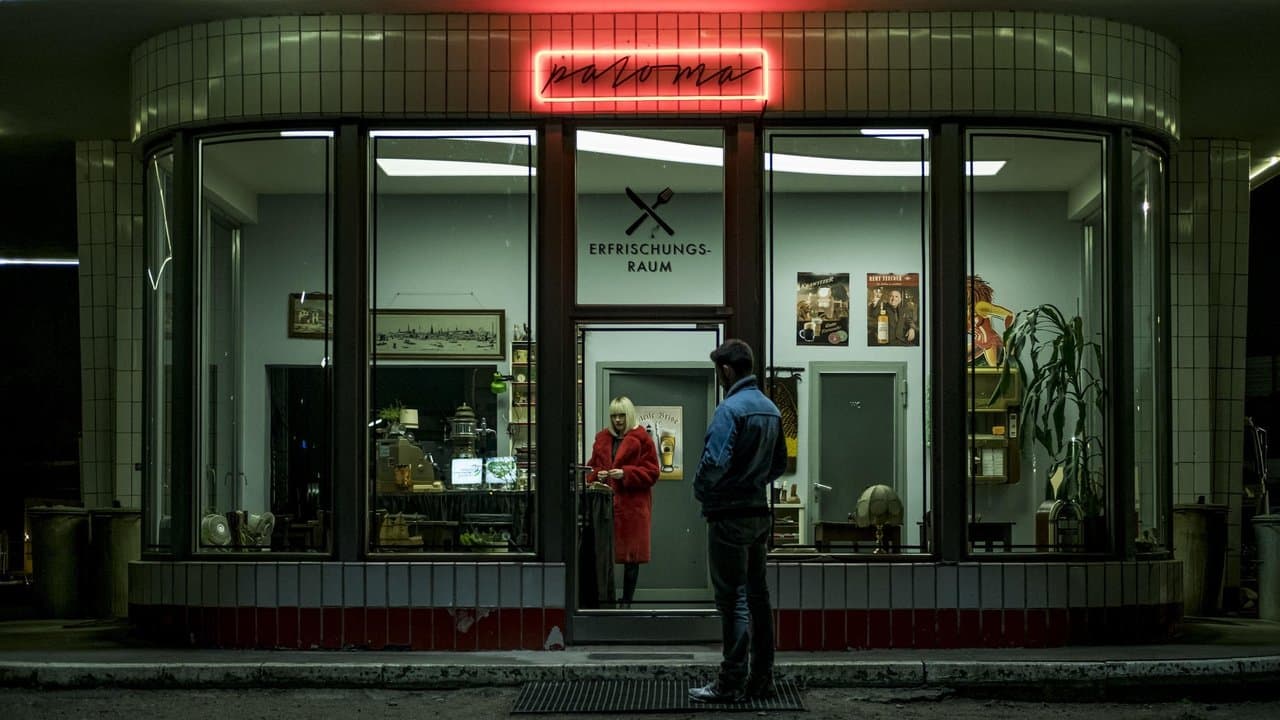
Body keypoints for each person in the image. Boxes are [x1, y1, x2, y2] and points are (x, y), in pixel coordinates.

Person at [689, 339, 788, 703]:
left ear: (727, 370)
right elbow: (780, 465)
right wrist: (754, 481)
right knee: (759, 598)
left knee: (733, 602)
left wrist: (702, 491)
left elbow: (714, 463)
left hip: (728, 516)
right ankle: (761, 679)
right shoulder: (771, 409)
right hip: (758, 514)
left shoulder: (729, 410)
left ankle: (730, 682)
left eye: (719, 372)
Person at [585, 395, 659, 608]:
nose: (617, 420)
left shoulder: (643, 439)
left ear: (629, 415)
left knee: (631, 558)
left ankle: (627, 602)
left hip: (632, 508)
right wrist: (597, 474)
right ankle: (604, 599)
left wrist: (626, 473)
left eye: (621, 415)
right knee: (602, 554)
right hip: (605, 507)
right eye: (614, 416)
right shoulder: (602, 438)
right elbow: (591, 468)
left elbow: (653, 472)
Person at [966, 274, 1014, 366]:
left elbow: (1009, 315)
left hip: (992, 343)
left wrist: (1009, 339)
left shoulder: (981, 306)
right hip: (978, 344)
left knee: (995, 371)